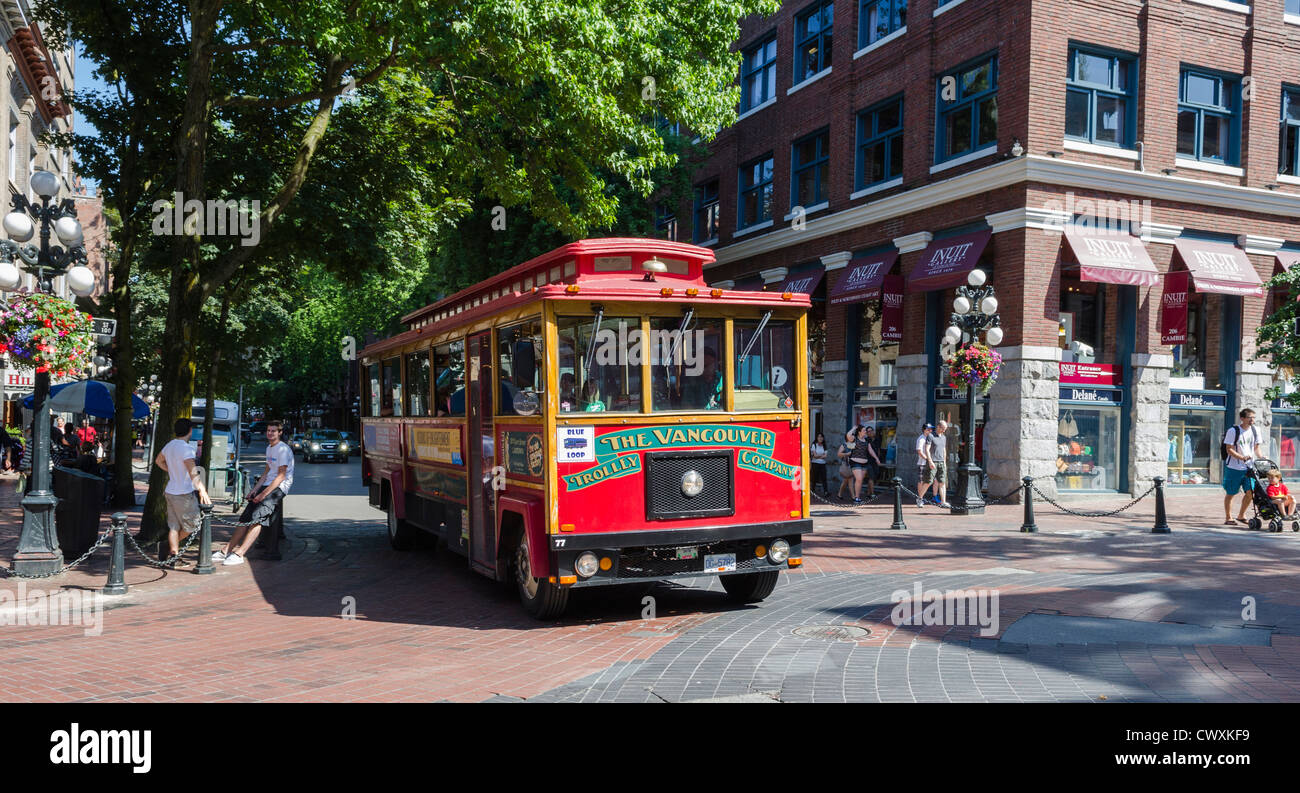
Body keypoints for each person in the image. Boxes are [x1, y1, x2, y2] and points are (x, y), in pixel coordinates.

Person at [214, 420, 293, 566]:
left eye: (273, 431)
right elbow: (267, 472)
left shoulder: (283, 449)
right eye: (269, 430)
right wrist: (255, 490)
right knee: (245, 518)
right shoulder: (269, 448)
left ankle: (239, 553)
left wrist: (263, 495)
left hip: (278, 488)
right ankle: (227, 550)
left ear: (280, 433)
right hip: (268, 485)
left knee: (258, 518)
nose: (270, 433)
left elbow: (281, 476)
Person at [155, 418, 212, 569]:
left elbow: (158, 461)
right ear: (190, 431)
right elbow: (193, 471)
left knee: (174, 526)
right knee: (192, 526)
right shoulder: (186, 449)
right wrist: (202, 489)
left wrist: (172, 471)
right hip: (183, 493)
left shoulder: (170, 445)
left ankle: (174, 555)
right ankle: (169, 548)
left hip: (170, 491)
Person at [1223, 408, 1264, 525]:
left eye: (1253, 417)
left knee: (1251, 493)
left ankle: (1241, 515)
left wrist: (1261, 457)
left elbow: (1256, 448)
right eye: (1249, 417)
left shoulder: (1256, 430)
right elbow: (1229, 449)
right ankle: (1228, 517)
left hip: (1249, 468)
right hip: (1234, 468)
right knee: (1231, 493)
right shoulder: (1233, 431)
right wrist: (1242, 457)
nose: (1252, 420)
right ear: (1242, 418)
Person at [927, 419, 953, 509]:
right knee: (928, 482)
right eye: (943, 428)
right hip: (933, 461)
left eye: (945, 429)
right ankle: (920, 498)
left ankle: (943, 501)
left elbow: (944, 450)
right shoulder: (931, 436)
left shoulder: (944, 437)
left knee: (942, 482)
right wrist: (930, 461)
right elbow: (927, 449)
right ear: (938, 426)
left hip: (941, 462)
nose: (944, 430)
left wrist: (945, 462)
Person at [848, 426, 872, 503]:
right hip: (855, 462)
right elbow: (848, 435)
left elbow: (870, 451)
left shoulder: (867, 440)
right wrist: (853, 428)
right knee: (859, 479)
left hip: (864, 463)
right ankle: (856, 498)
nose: (866, 431)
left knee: (860, 480)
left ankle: (857, 497)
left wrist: (877, 458)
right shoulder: (854, 439)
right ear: (859, 432)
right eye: (864, 430)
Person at [915, 423, 936, 507]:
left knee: (930, 481)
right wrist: (927, 459)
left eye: (931, 429)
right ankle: (919, 499)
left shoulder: (930, 438)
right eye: (928, 429)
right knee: (921, 481)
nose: (930, 431)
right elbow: (919, 451)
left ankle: (921, 497)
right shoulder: (921, 439)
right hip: (922, 463)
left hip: (930, 463)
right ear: (924, 430)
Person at [862, 425, 883, 499]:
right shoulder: (866, 440)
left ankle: (868, 494)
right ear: (867, 433)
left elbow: (879, 450)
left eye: (871, 431)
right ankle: (873, 494)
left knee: (874, 477)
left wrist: (878, 459)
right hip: (868, 461)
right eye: (868, 431)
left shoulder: (878, 439)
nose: (870, 432)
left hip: (875, 461)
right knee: (871, 477)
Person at [836, 429, 856, 500]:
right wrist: (847, 454)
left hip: (853, 465)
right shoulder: (844, 445)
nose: (852, 436)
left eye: (853, 435)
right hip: (846, 465)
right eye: (851, 435)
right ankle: (853, 497)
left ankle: (839, 494)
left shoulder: (855, 444)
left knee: (845, 481)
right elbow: (839, 454)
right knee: (850, 480)